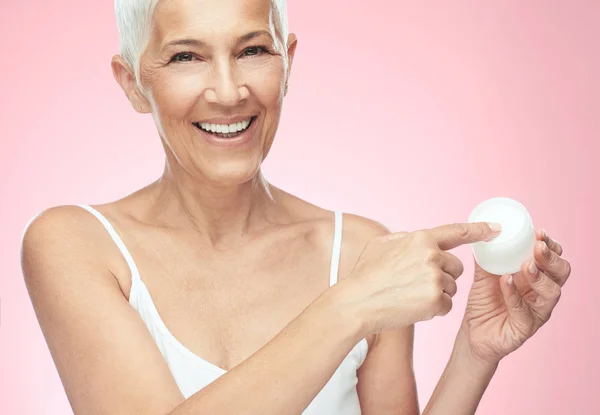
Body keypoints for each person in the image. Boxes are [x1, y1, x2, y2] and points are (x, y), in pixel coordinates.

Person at [21, 0, 572, 414]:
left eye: (253, 50)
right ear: (134, 84)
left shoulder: (360, 250)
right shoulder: (76, 244)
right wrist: (350, 305)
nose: (229, 90)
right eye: (186, 56)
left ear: (288, 62)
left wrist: (475, 354)